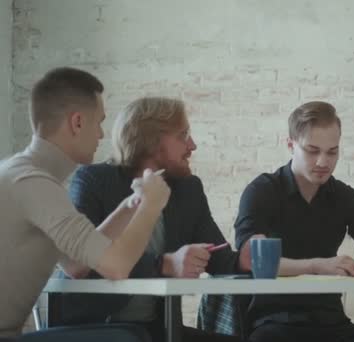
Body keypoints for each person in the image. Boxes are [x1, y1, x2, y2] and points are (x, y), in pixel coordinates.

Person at [52, 97, 251, 342]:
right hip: (94, 328)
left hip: (158, 329)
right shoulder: (93, 180)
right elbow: (84, 266)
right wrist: (163, 264)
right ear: (151, 140)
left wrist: (242, 260)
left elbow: (218, 258)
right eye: (183, 135)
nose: (193, 145)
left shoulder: (188, 189)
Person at [0, 67, 170, 339]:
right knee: (127, 338)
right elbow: (116, 266)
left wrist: (132, 205)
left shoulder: (22, 174)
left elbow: (76, 265)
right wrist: (151, 207)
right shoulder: (33, 183)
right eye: (99, 122)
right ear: (77, 122)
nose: (102, 135)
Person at [234, 101, 354, 342]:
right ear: (291, 145)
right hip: (275, 323)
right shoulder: (262, 191)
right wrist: (316, 265)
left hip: (332, 322)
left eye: (332, 151)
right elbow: (251, 259)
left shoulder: (345, 197)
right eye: (313, 151)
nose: (324, 162)